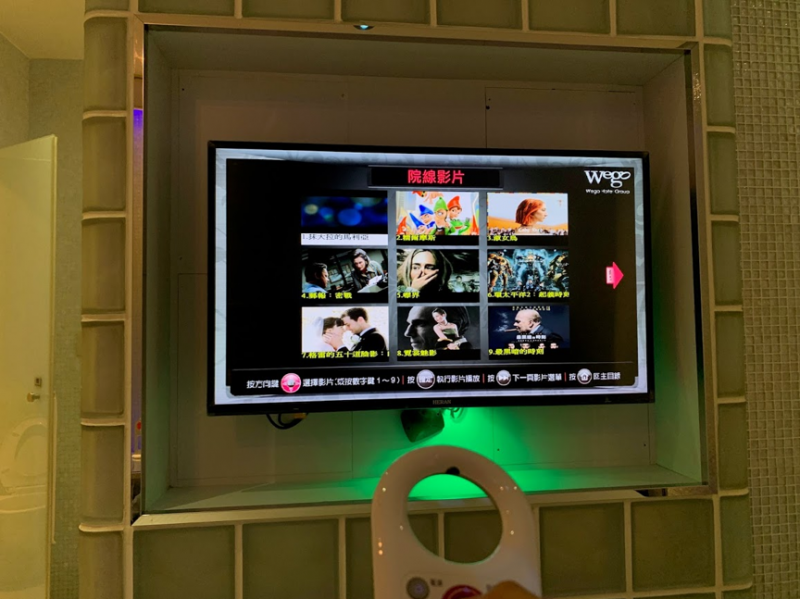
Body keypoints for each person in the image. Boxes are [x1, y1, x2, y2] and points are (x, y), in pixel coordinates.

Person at [404, 306, 472, 351]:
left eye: (420, 323)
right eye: (434, 317)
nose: (407, 333)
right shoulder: (437, 327)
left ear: (444, 315)